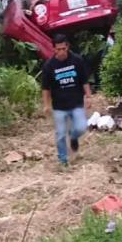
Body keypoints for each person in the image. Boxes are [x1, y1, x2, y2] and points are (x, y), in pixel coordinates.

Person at [42, 34, 92, 167]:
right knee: (60, 134)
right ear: (54, 49)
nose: (61, 52)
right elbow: (46, 88)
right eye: (58, 49)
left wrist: (88, 96)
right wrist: (46, 105)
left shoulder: (77, 60)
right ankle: (63, 160)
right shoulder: (49, 66)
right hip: (59, 106)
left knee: (81, 127)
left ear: (67, 47)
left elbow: (84, 80)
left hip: (76, 103)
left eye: (63, 49)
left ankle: (74, 137)